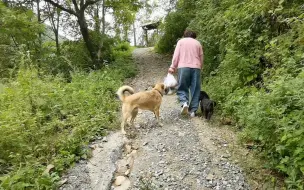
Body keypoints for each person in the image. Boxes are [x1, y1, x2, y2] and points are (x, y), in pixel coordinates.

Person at [168, 30, 203, 117]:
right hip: (196, 67)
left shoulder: (181, 42)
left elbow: (176, 55)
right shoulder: (198, 43)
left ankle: (184, 103)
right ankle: (193, 111)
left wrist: (173, 67)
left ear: (185, 35)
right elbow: (201, 57)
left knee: (182, 87)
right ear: (194, 36)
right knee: (195, 89)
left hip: (183, 67)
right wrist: (200, 67)